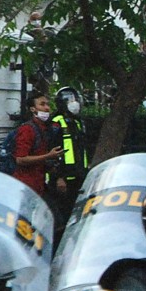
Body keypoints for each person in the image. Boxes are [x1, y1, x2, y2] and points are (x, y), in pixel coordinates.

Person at [47, 86, 90, 234]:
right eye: (70, 101)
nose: (75, 103)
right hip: (63, 179)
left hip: (78, 176)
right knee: (62, 216)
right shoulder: (56, 123)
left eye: (76, 100)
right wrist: (58, 177)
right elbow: (51, 151)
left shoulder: (78, 122)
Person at [10, 91, 62, 199]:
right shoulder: (27, 130)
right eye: (42, 104)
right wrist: (48, 156)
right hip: (26, 186)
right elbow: (20, 159)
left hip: (40, 185)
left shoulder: (46, 128)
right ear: (32, 109)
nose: (47, 108)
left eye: (48, 104)